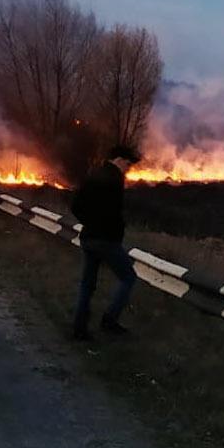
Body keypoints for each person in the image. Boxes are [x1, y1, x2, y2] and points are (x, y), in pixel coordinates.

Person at [69, 144, 140, 340]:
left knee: (87, 284)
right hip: (106, 239)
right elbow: (114, 212)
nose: (128, 168)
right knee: (128, 277)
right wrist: (111, 228)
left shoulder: (93, 173)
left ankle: (79, 328)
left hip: (88, 237)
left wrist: (89, 222)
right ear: (118, 159)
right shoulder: (115, 179)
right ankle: (109, 320)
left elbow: (75, 205)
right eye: (127, 164)